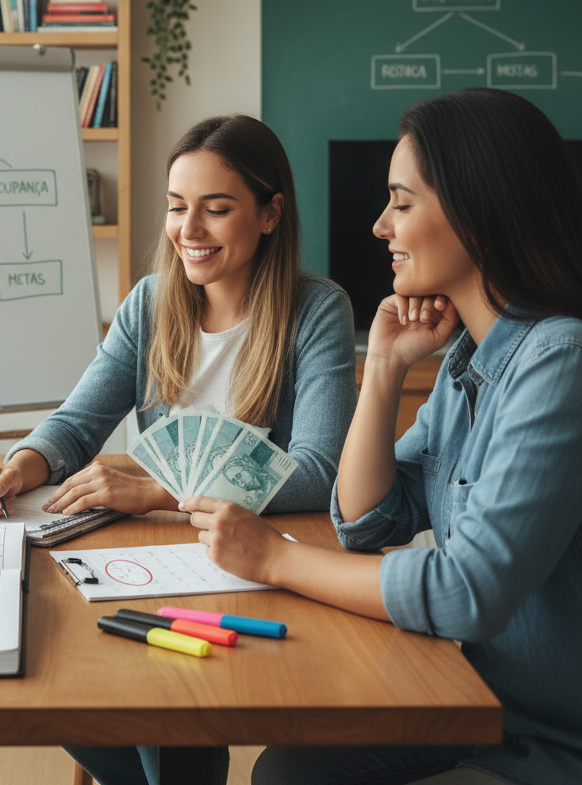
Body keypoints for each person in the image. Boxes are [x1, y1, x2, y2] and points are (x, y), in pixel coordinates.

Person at [180, 90, 582, 785]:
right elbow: (368, 522)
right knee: (287, 772)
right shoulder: (467, 364)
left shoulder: (560, 363)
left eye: (400, 202)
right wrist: (387, 369)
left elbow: (467, 592)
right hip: (479, 704)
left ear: (477, 210)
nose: (379, 227)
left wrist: (273, 559)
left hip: (552, 744)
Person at [0, 113, 358, 785]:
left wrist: (163, 490)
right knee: (63, 687)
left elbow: (320, 474)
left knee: (168, 711)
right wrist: (15, 468)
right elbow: (78, 423)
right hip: (162, 561)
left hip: (274, 567)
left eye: (216, 209)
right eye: (177, 208)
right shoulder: (151, 303)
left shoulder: (317, 310)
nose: (189, 231)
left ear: (270, 213)